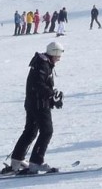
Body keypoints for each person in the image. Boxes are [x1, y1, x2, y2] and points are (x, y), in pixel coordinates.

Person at [4, 42, 65, 174]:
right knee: (47, 131)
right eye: (58, 55)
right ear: (54, 53)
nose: (59, 58)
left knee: (30, 131)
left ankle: (17, 160)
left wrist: (52, 99)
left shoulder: (42, 62)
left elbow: (39, 85)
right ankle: (36, 162)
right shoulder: (43, 64)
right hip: (38, 104)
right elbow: (38, 84)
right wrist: (51, 94)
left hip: (33, 103)